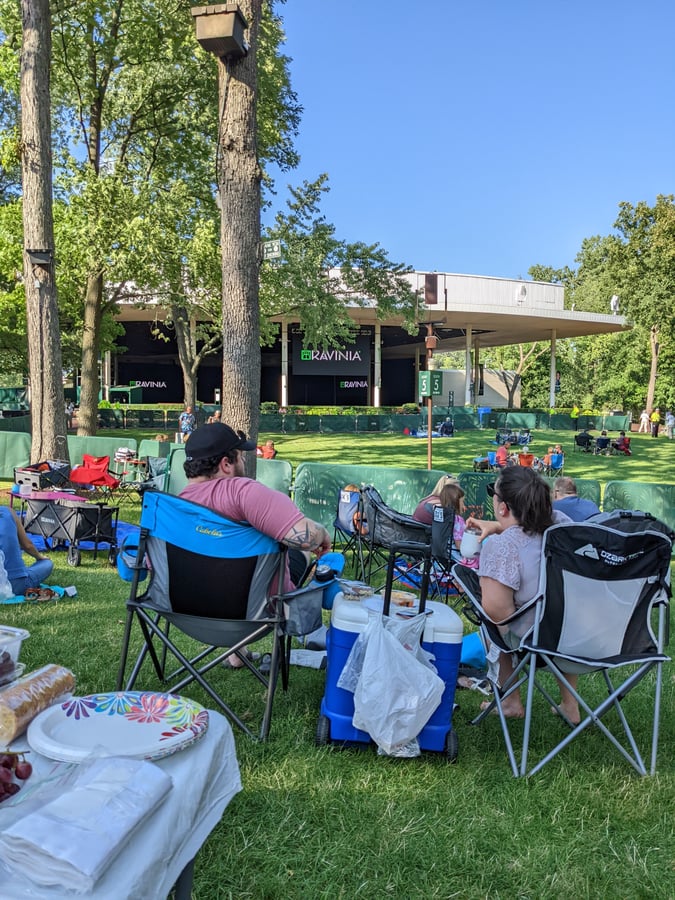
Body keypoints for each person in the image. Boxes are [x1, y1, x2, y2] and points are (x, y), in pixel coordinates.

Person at [180, 422, 331, 666]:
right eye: (240, 456)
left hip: (187, 613)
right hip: (256, 614)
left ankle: (237, 654)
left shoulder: (171, 508)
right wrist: (321, 531)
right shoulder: (243, 492)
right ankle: (312, 632)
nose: (243, 463)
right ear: (226, 464)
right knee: (297, 553)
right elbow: (304, 536)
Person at [466, 467, 579, 723]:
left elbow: (498, 613)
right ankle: (570, 704)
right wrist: (498, 527)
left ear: (503, 507)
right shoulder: (563, 527)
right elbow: (531, 528)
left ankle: (510, 700)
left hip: (537, 643)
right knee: (562, 605)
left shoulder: (501, 547)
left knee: (492, 620)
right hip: (585, 639)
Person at [0, 506, 53, 597]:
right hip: (17, 584)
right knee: (47, 563)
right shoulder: (9, 512)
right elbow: (27, 545)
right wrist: (39, 557)